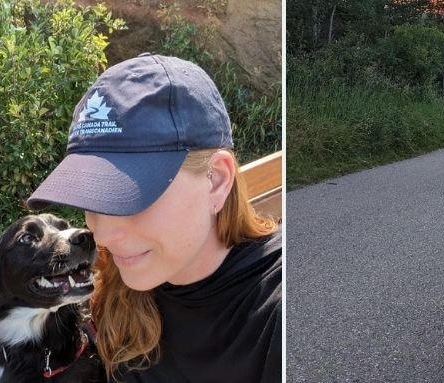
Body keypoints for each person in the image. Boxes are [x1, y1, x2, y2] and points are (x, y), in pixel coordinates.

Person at [26, 53, 281, 382]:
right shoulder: (117, 294)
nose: (102, 237)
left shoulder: (278, 308)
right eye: (91, 200)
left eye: (132, 197)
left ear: (215, 181)